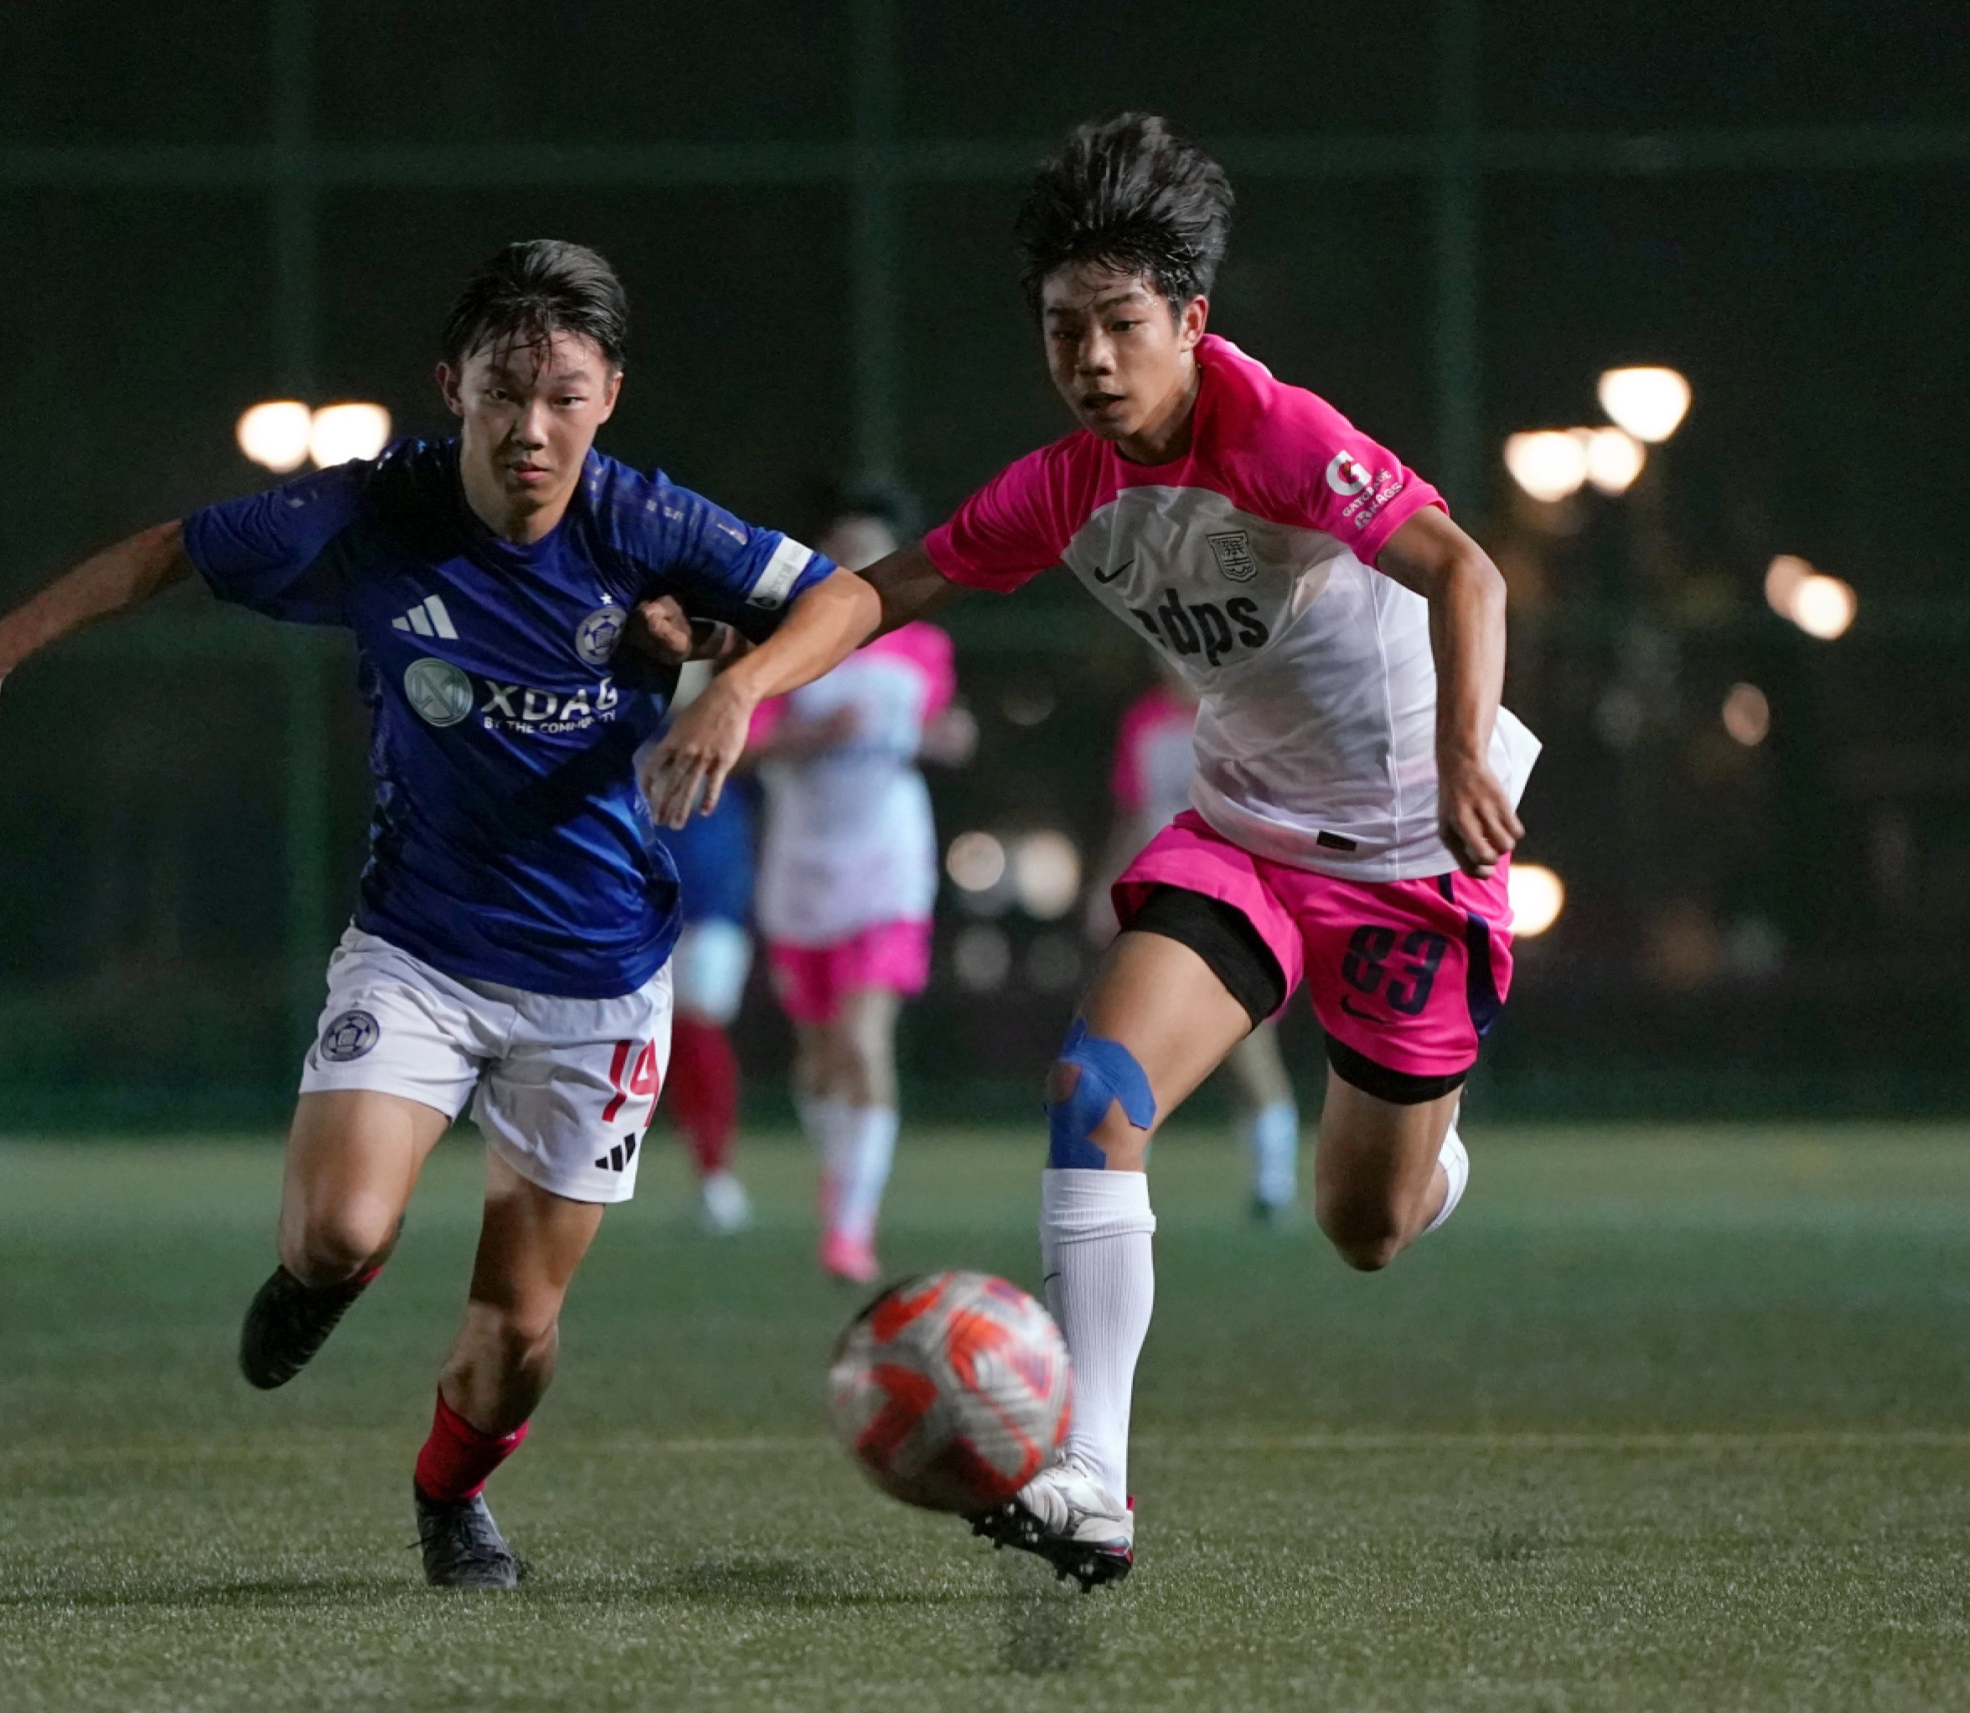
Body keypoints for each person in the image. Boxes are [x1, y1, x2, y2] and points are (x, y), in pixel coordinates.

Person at [0, 239, 882, 1589]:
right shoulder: (371, 509)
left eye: (563, 397)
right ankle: (316, 1284)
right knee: (337, 1233)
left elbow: (844, 596)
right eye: (502, 392)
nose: (529, 428)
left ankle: (449, 1496)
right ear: (451, 386)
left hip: (599, 983)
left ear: (607, 398)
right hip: (419, 952)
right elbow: (170, 550)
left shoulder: (647, 523)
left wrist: (735, 684)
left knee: (516, 1331)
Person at [648, 113, 1539, 1590]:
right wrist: (740, 684)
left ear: (1189, 321)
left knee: (1365, 1226)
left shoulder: (1274, 434)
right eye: (1064, 328)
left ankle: (1425, 1159)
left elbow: (1465, 570)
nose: (1092, 359)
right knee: (1093, 1090)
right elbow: (884, 589)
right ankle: (1093, 1481)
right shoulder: (1069, 485)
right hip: (1242, 835)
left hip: (1407, 852)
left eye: (1123, 324)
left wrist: (1458, 757)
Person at [747, 509, 958, 1283]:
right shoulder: (790, 646)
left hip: (888, 864)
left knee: (862, 1040)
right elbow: (741, 741)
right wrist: (809, 737)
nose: (862, 571)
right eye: (843, 557)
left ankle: (849, 1227)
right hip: (802, 864)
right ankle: (840, 1171)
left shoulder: (924, 647)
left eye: (873, 557)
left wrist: (949, 736)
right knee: (817, 1054)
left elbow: (935, 725)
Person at [1091, 673, 1299, 1222]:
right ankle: (1120, 1186)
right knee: (1136, 1046)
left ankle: (1273, 1185)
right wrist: (1105, 886)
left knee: (1247, 1050)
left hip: (1232, 895)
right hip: (1161, 892)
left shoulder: (1243, 712)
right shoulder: (1143, 721)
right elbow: (1133, 812)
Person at [653, 668, 760, 1234]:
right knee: (653, 1044)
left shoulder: (728, 718)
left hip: (710, 903)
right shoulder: (620, 722)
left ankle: (716, 1172)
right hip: (635, 907)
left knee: (698, 1030)